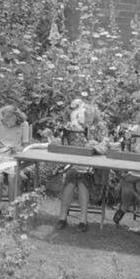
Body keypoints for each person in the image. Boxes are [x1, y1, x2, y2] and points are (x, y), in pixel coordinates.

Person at [56, 99, 110, 232]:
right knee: (71, 175)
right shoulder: (75, 126)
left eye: (90, 117)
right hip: (77, 165)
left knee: (81, 179)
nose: (87, 120)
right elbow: (67, 144)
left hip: (95, 168)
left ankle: (83, 219)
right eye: (84, 117)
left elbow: (106, 145)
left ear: (95, 115)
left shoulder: (101, 127)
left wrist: (95, 146)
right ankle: (62, 217)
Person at [0, 104, 32, 201]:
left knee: (13, 177)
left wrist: (18, 149)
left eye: (8, 118)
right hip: (1, 156)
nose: (5, 121)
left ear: (16, 116)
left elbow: (26, 146)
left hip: (16, 157)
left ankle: (12, 207)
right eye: (3, 118)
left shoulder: (24, 125)